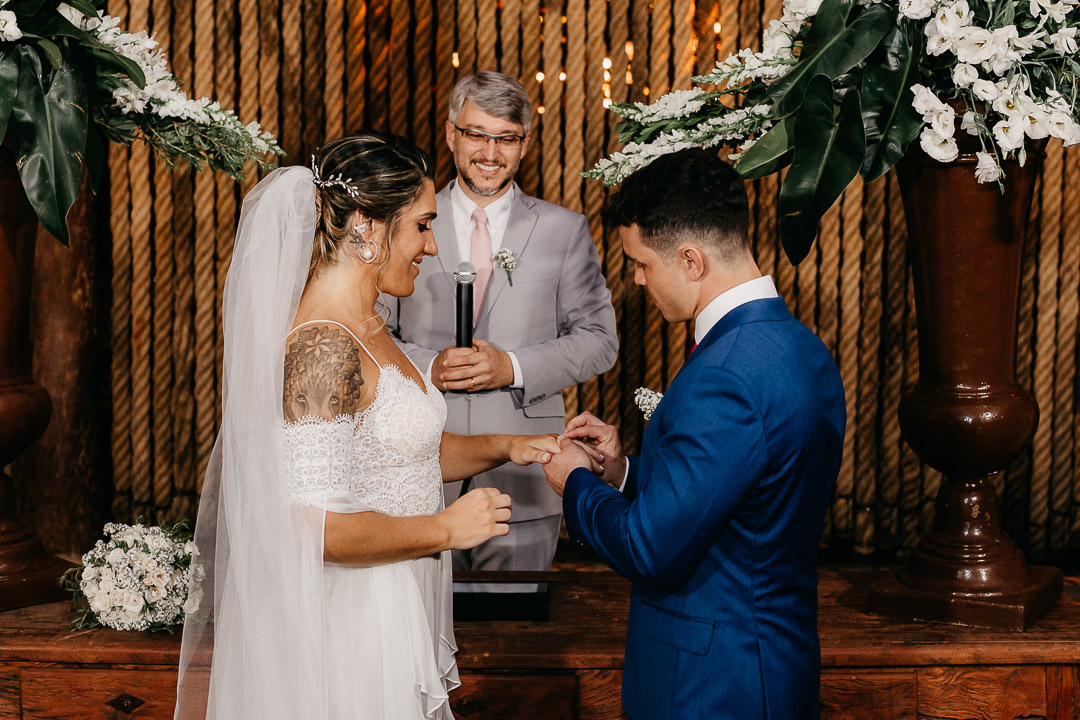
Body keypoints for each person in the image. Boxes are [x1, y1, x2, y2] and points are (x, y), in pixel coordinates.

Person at [174, 132, 569, 720]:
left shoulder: (371, 322)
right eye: (422, 225)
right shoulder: (323, 346)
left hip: (395, 601)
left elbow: (404, 453)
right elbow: (317, 528)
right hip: (351, 624)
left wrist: (509, 445)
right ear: (365, 225)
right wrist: (444, 528)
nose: (432, 247)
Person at [542, 149, 846, 719]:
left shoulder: (723, 374)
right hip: (772, 663)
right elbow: (741, 497)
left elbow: (650, 548)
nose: (635, 278)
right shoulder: (801, 348)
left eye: (640, 262)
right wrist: (624, 472)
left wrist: (577, 483)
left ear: (690, 260)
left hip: (713, 684)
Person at [388, 71, 618, 574]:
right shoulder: (405, 220)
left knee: (520, 641)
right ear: (451, 134)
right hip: (419, 475)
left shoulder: (564, 230)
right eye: (476, 134)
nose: (490, 153)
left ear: (525, 144)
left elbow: (600, 341)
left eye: (506, 139)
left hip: (525, 484)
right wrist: (431, 367)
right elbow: (372, 331)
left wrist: (510, 367)